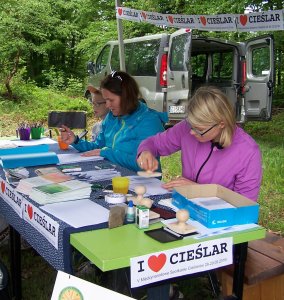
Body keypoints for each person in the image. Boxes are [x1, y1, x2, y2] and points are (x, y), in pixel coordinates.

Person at [137, 85, 262, 201]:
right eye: (191, 125)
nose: (191, 132)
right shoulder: (187, 128)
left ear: (221, 124)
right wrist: (146, 151)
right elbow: (154, 143)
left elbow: (245, 203)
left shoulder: (248, 151)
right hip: (186, 206)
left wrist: (201, 191)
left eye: (199, 129)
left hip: (220, 218)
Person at [60, 71, 167, 172]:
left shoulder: (149, 121)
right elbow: (98, 146)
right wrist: (75, 141)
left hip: (145, 183)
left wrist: (108, 153)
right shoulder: (112, 117)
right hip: (114, 174)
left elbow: (144, 164)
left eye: (111, 100)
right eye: (106, 100)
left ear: (127, 97)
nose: (107, 105)